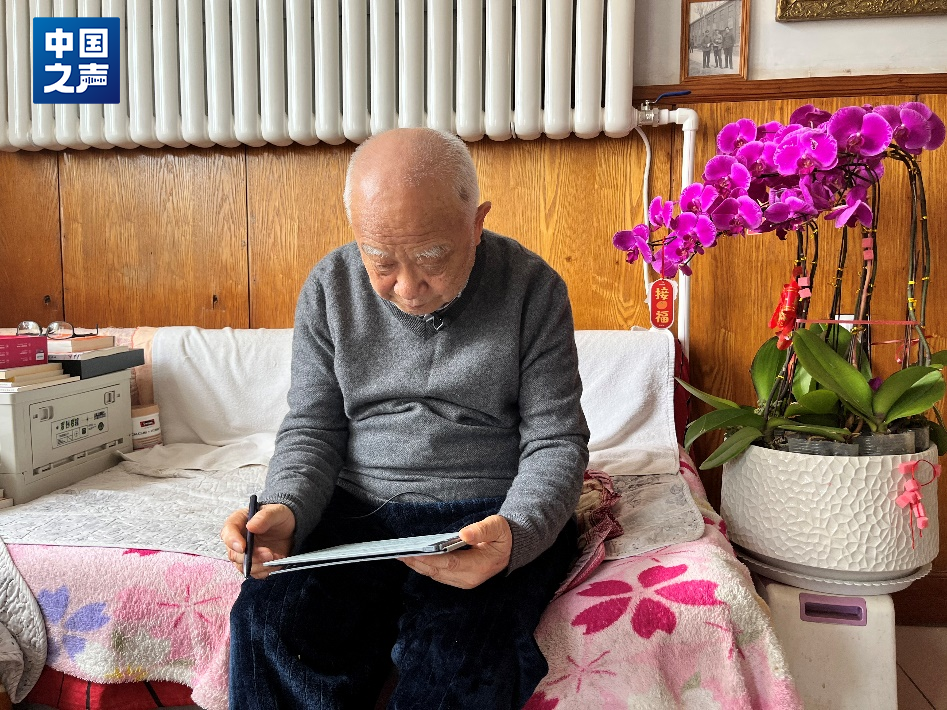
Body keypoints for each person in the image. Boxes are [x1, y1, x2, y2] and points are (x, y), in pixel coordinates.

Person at [221, 127, 590, 710]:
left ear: (477, 223)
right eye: (382, 262)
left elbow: (556, 440)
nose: (409, 287)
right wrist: (286, 508)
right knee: (271, 624)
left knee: (462, 659)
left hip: (485, 513)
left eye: (433, 257)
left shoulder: (531, 288)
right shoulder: (330, 287)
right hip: (356, 506)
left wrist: (517, 532)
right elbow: (313, 427)